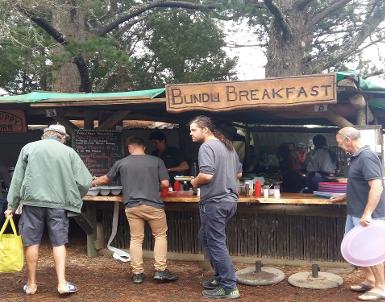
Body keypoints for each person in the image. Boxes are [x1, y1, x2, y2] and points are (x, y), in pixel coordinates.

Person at [4, 124, 92, 295]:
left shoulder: (28, 148)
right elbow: (84, 182)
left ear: (45, 135)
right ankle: (61, 284)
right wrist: (72, 196)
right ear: (63, 137)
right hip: (58, 205)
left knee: (32, 242)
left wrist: (11, 206)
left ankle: (31, 285)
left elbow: (17, 179)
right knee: (59, 243)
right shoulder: (68, 152)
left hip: (31, 204)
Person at [92, 137, 178, 284]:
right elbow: (165, 183)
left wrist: (92, 182)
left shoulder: (122, 162)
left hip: (132, 206)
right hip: (153, 205)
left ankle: (137, 273)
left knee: (136, 239)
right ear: (144, 147)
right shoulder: (156, 161)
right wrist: (153, 188)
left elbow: (106, 179)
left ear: (130, 147)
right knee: (160, 236)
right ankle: (160, 271)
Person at [330, 127, 385, 301]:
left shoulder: (366, 157)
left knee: (371, 249)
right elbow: (359, 185)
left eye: (340, 143)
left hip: (366, 214)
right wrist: (342, 197)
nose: (341, 146)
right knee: (354, 248)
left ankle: (381, 287)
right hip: (355, 211)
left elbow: (376, 187)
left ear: (348, 140)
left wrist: (368, 213)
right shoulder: (356, 157)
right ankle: (371, 280)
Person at [189, 116, 242, 300]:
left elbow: (206, 175)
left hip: (215, 203)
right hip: (229, 201)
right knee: (204, 237)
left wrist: (194, 182)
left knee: (216, 243)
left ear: (205, 130)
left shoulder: (207, 147)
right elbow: (239, 173)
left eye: (193, 130)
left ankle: (229, 287)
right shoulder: (228, 147)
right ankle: (220, 278)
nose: (191, 133)